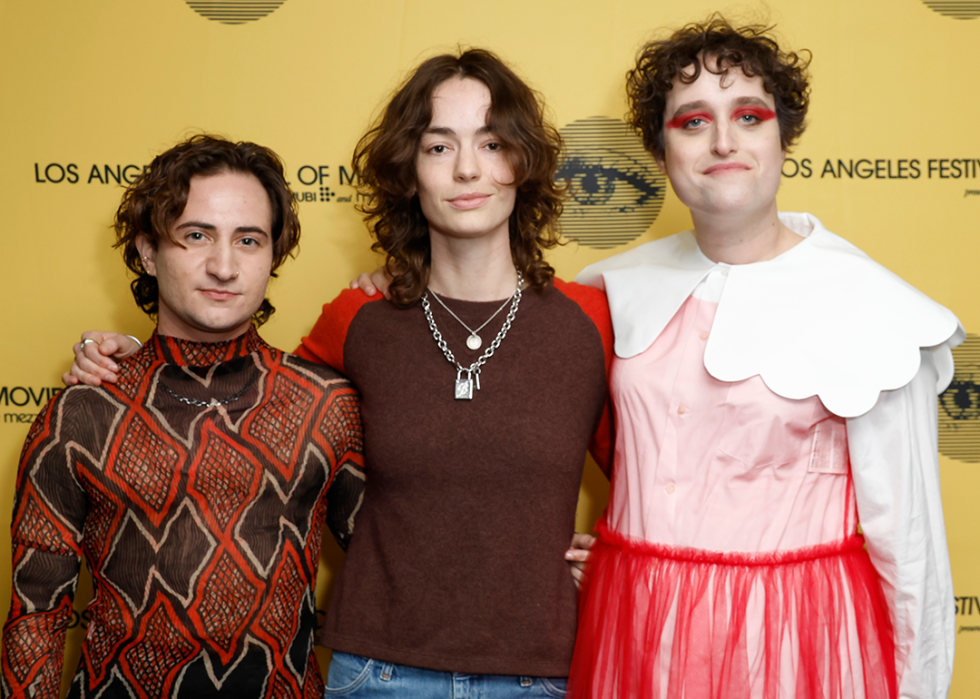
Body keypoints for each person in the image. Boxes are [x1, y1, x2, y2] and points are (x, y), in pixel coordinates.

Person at [62, 50, 613, 697]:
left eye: (491, 143)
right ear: (409, 170)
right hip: (378, 674)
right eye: (439, 146)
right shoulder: (359, 317)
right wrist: (138, 358)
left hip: (541, 674)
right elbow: (247, 400)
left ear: (522, 160)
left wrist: (620, 559)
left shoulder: (588, 321)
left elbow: (665, 475)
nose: (468, 168)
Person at [568, 17, 961, 699]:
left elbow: (913, 551)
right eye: (692, 122)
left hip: (790, 649)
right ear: (661, 153)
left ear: (784, 139)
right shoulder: (611, 287)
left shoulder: (873, 306)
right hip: (637, 637)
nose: (723, 141)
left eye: (749, 115)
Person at [2, 135, 365, 699]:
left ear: (273, 257)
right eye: (196, 235)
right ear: (148, 251)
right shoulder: (81, 412)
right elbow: (35, 617)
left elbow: (399, 560)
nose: (223, 265)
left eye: (249, 240)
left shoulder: (325, 404)